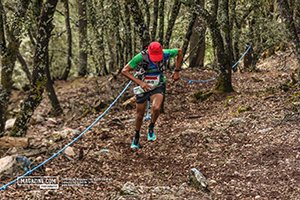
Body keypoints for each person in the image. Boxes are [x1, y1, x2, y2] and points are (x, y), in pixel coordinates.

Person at [121, 41, 182, 149]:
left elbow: (179, 52)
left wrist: (177, 71)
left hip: (158, 84)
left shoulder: (166, 53)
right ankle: (136, 136)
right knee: (140, 115)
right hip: (143, 86)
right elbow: (124, 71)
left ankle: (151, 126)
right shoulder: (140, 57)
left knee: (156, 107)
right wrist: (140, 83)